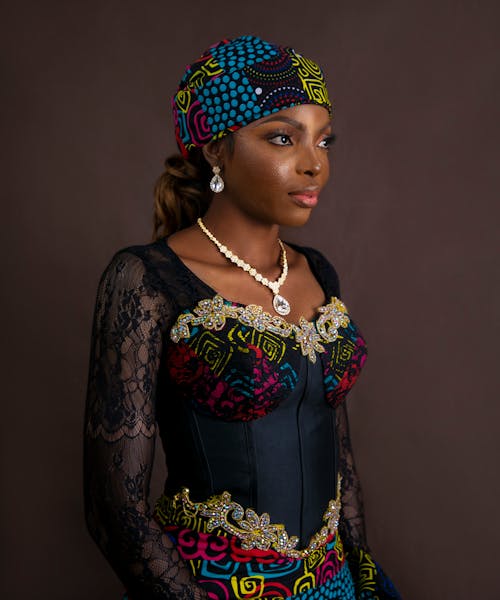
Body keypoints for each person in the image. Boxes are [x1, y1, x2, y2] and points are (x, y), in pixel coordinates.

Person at [84, 35, 401, 600]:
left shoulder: (318, 272)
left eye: (325, 141)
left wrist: (363, 575)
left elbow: (339, 452)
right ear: (215, 150)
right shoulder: (147, 279)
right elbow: (116, 511)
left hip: (332, 583)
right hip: (210, 585)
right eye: (282, 138)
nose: (315, 165)